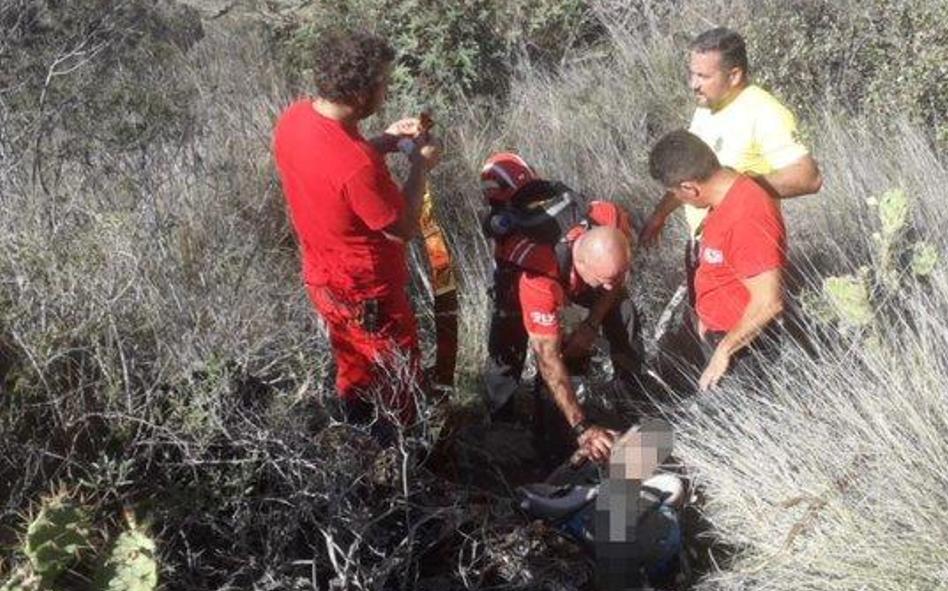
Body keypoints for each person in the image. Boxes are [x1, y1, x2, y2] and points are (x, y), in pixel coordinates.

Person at [272, 29, 441, 435]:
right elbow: (401, 228)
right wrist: (420, 165)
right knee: (395, 382)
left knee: (354, 369)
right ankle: (399, 465)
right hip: (369, 294)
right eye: (384, 82)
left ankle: (355, 442)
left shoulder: (295, 117)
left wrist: (383, 141)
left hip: (324, 279)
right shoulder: (357, 165)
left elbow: (337, 168)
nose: (387, 89)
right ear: (363, 93)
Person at [480, 152, 643, 463]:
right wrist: (582, 427)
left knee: (621, 310)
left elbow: (615, 280)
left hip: (570, 277)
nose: (610, 286)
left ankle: (632, 399)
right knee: (510, 345)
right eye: (603, 279)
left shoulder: (610, 218)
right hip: (525, 285)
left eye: (614, 276)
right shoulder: (536, 271)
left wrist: (591, 323)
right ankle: (524, 432)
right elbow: (547, 356)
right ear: (580, 263)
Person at [639, 26, 821, 251]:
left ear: (734, 75)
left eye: (703, 76)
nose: (693, 84)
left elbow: (809, 178)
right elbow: (689, 174)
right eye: (692, 74)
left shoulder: (763, 111)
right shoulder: (706, 108)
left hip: (745, 249)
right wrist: (660, 214)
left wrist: (735, 191)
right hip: (707, 246)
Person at [648, 130, 786, 392]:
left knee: (721, 425)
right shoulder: (725, 197)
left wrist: (724, 351)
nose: (678, 200)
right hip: (717, 335)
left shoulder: (747, 215)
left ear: (690, 187)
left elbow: (769, 301)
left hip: (742, 351)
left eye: (676, 193)